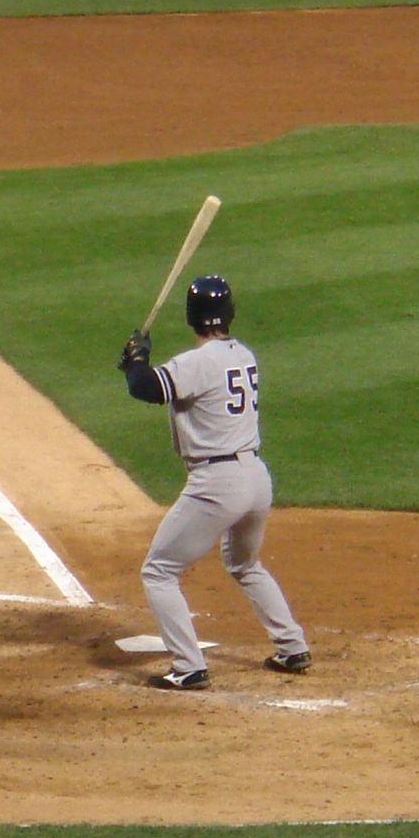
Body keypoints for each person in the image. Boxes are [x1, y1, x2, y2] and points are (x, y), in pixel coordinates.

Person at [117, 275, 310, 690]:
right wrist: (137, 365)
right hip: (256, 479)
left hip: (216, 483)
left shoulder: (196, 362)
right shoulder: (245, 355)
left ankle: (189, 666)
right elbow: (151, 384)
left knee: (159, 571)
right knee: (245, 563)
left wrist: (135, 361)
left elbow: (147, 390)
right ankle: (292, 647)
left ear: (190, 317)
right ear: (230, 314)